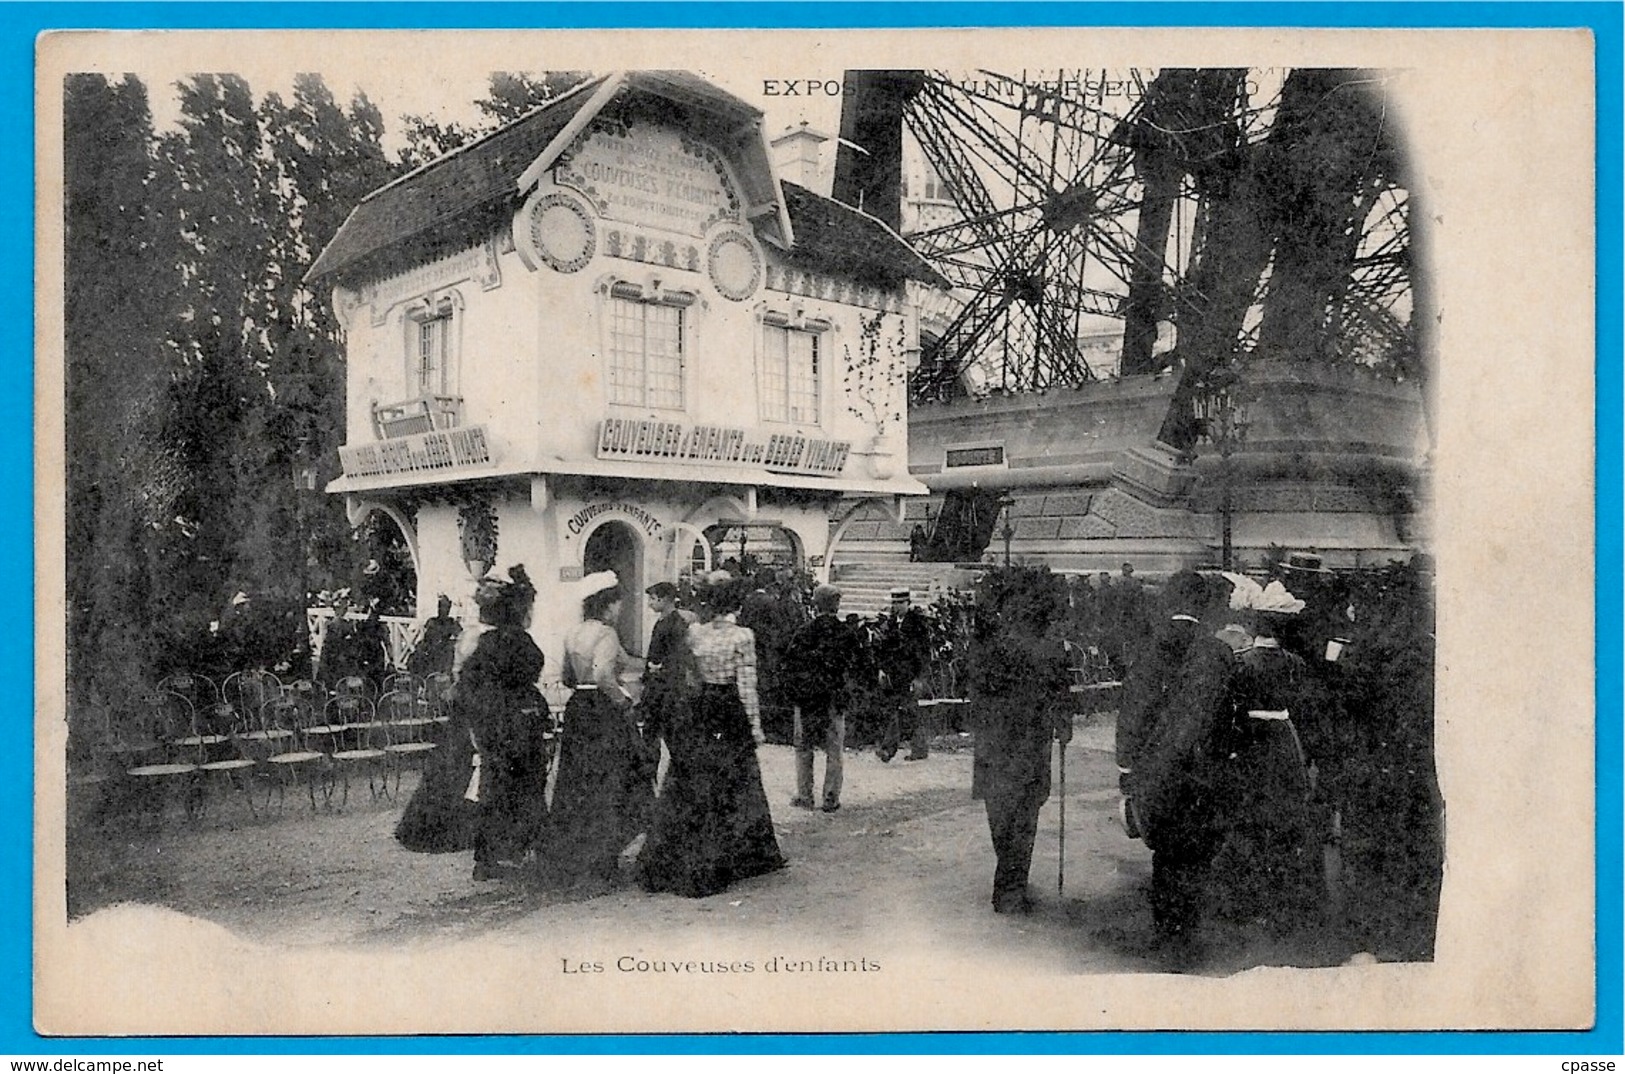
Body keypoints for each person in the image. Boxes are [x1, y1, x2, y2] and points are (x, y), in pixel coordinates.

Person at [1115, 569, 1238, 965]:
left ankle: (1165, 931)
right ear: (1202, 605)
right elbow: (1222, 719)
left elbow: (1132, 711)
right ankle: (1186, 935)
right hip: (1201, 774)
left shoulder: (1149, 649)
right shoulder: (1217, 653)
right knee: (1195, 855)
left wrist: (1127, 765)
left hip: (1156, 772)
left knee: (1164, 852)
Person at [639, 576, 785, 898]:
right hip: (728, 708)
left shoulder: (695, 634)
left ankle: (673, 855)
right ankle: (742, 855)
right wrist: (755, 726)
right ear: (736, 604)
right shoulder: (742, 636)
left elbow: (686, 676)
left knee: (691, 781)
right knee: (737, 781)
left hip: (698, 708)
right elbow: (747, 688)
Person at [539, 572, 653, 895]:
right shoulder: (606, 634)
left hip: (579, 710)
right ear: (607, 604)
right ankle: (604, 859)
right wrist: (625, 699)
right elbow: (605, 674)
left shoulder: (573, 633)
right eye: (617, 602)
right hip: (603, 712)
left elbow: (566, 676)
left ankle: (576, 855)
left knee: (578, 781)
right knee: (611, 781)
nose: (619, 609)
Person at [968, 570, 1073, 914]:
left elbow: (1059, 687)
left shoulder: (1018, 641)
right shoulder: (1034, 642)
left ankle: (1011, 883)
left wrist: (1062, 721)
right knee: (1019, 814)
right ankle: (1012, 883)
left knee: (1008, 813)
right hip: (1018, 741)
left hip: (1004, 743)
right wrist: (1062, 723)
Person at [458, 566, 550, 881]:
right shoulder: (518, 641)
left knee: (493, 788)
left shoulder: (483, 643)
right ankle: (533, 850)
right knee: (528, 784)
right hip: (517, 725)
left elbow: (468, 685)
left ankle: (486, 858)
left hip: (492, 726)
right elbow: (532, 669)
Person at [782, 583, 865, 813]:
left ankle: (804, 795)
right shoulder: (847, 633)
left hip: (807, 698)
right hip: (834, 698)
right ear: (837, 605)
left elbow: (789, 664)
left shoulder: (804, 631)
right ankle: (830, 798)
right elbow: (858, 665)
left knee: (803, 747)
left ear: (815, 604)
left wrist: (797, 692)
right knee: (834, 749)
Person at [873, 588, 933, 762]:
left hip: (910, 673)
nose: (896, 606)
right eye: (894, 603)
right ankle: (907, 748)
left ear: (908, 604)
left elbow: (923, 652)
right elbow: (884, 649)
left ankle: (894, 749)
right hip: (894, 674)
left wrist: (919, 677)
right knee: (896, 709)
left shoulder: (917, 624)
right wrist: (882, 669)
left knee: (909, 710)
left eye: (900, 603)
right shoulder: (891, 623)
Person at [640, 581, 688, 751]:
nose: (649, 603)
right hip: (656, 687)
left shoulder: (677, 624)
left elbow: (678, 657)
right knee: (650, 734)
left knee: (669, 733)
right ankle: (648, 774)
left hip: (668, 689)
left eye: (653, 599)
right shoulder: (662, 621)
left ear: (665, 600)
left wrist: (660, 669)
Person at [407, 595, 462, 680]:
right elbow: (425, 637)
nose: (441, 610)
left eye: (444, 607)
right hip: (429, 650)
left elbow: (459, 637)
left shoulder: (451, 623)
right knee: (415, 658)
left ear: (448, 609)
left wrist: (451, 642)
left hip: (442, 652)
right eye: (440, 607)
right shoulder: (432, 621)